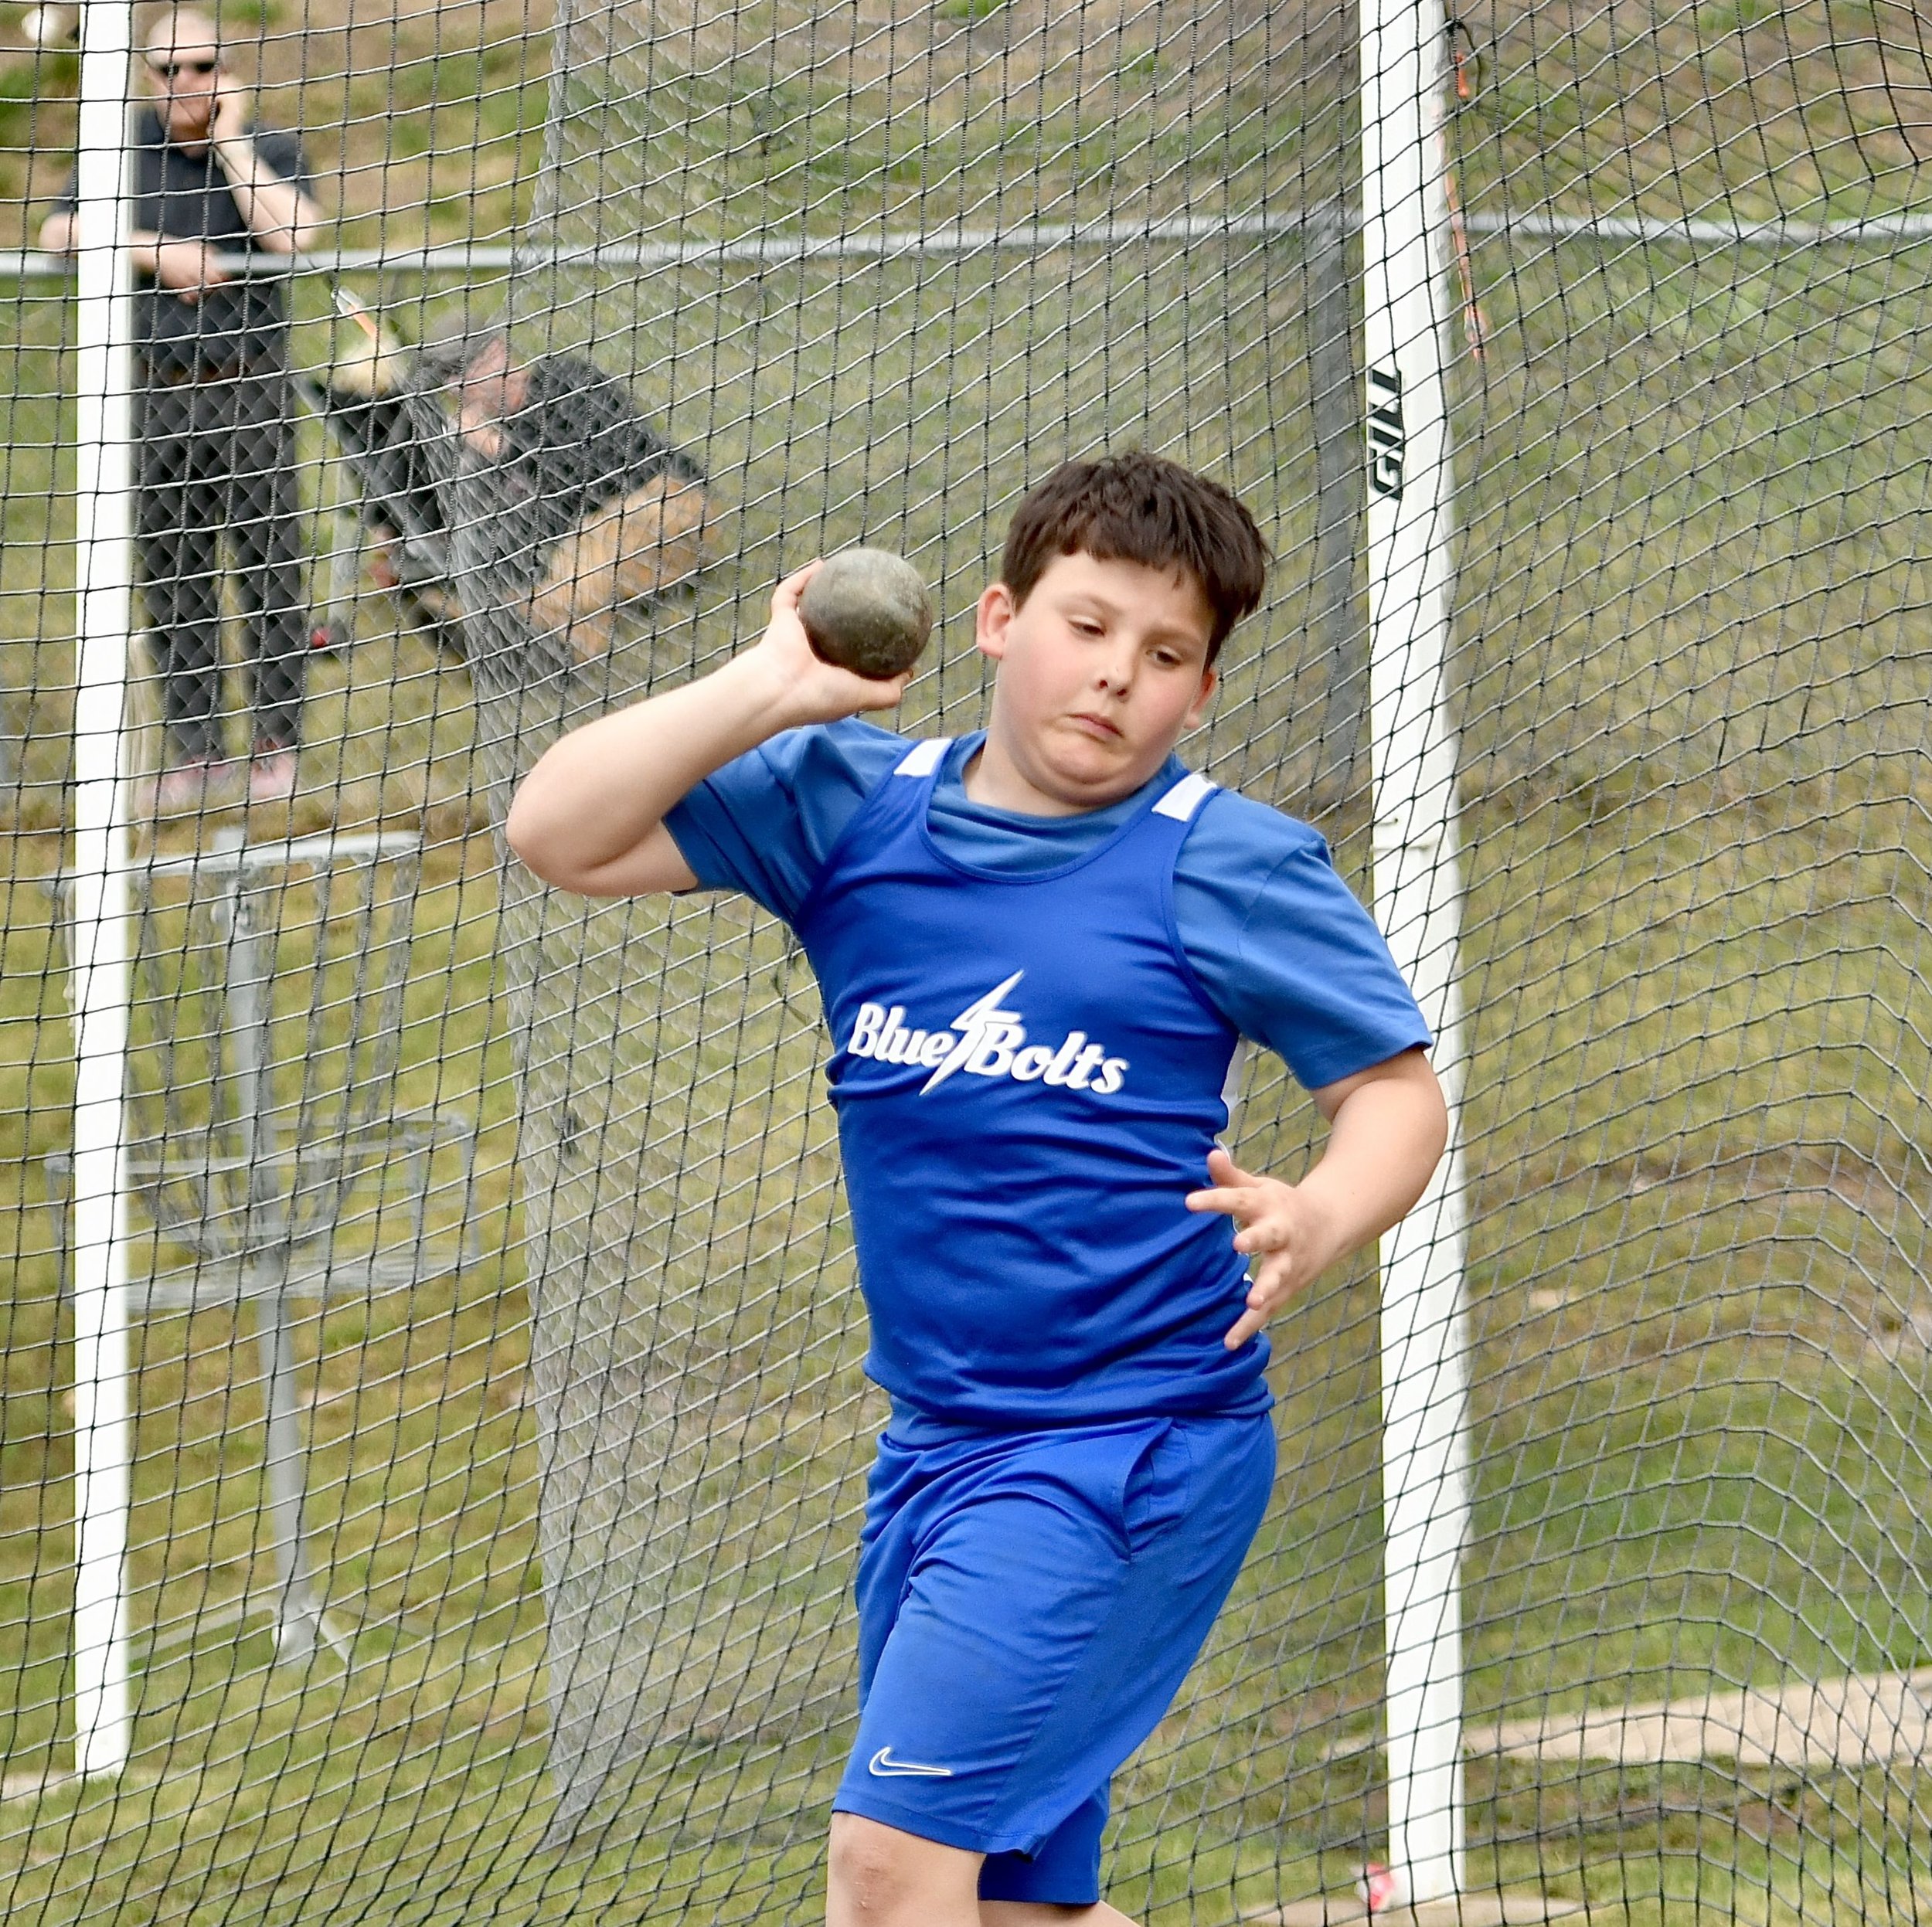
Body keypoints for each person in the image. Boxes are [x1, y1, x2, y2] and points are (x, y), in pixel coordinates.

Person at [505, 453, 1449, 1927]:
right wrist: (769, 687)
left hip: (1130, 1444)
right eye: (1088, 624)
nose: (1118, 674)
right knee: (1009, 1907)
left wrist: (1323, 1209)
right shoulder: (851, 805)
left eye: (1167, 654)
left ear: (1203, 692)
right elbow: (556, 831)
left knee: (891, 1873)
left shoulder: (1229, 862)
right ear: (1001, 620)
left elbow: (1397, 1091)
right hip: (938, 1444)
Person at [39, 7, 324, 809]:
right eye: (169, 70)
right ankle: (197, 751)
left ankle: (276, 746)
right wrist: (153, 250)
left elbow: (295, 235)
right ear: (147, 76)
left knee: (269, 569)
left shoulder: (268, 147)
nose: (186, 84)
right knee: (173, 575)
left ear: (227, 72)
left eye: (203, 67)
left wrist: (229, 143)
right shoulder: (120, 146)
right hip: (155, 389)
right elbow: (58, 231)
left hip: (250, 385)